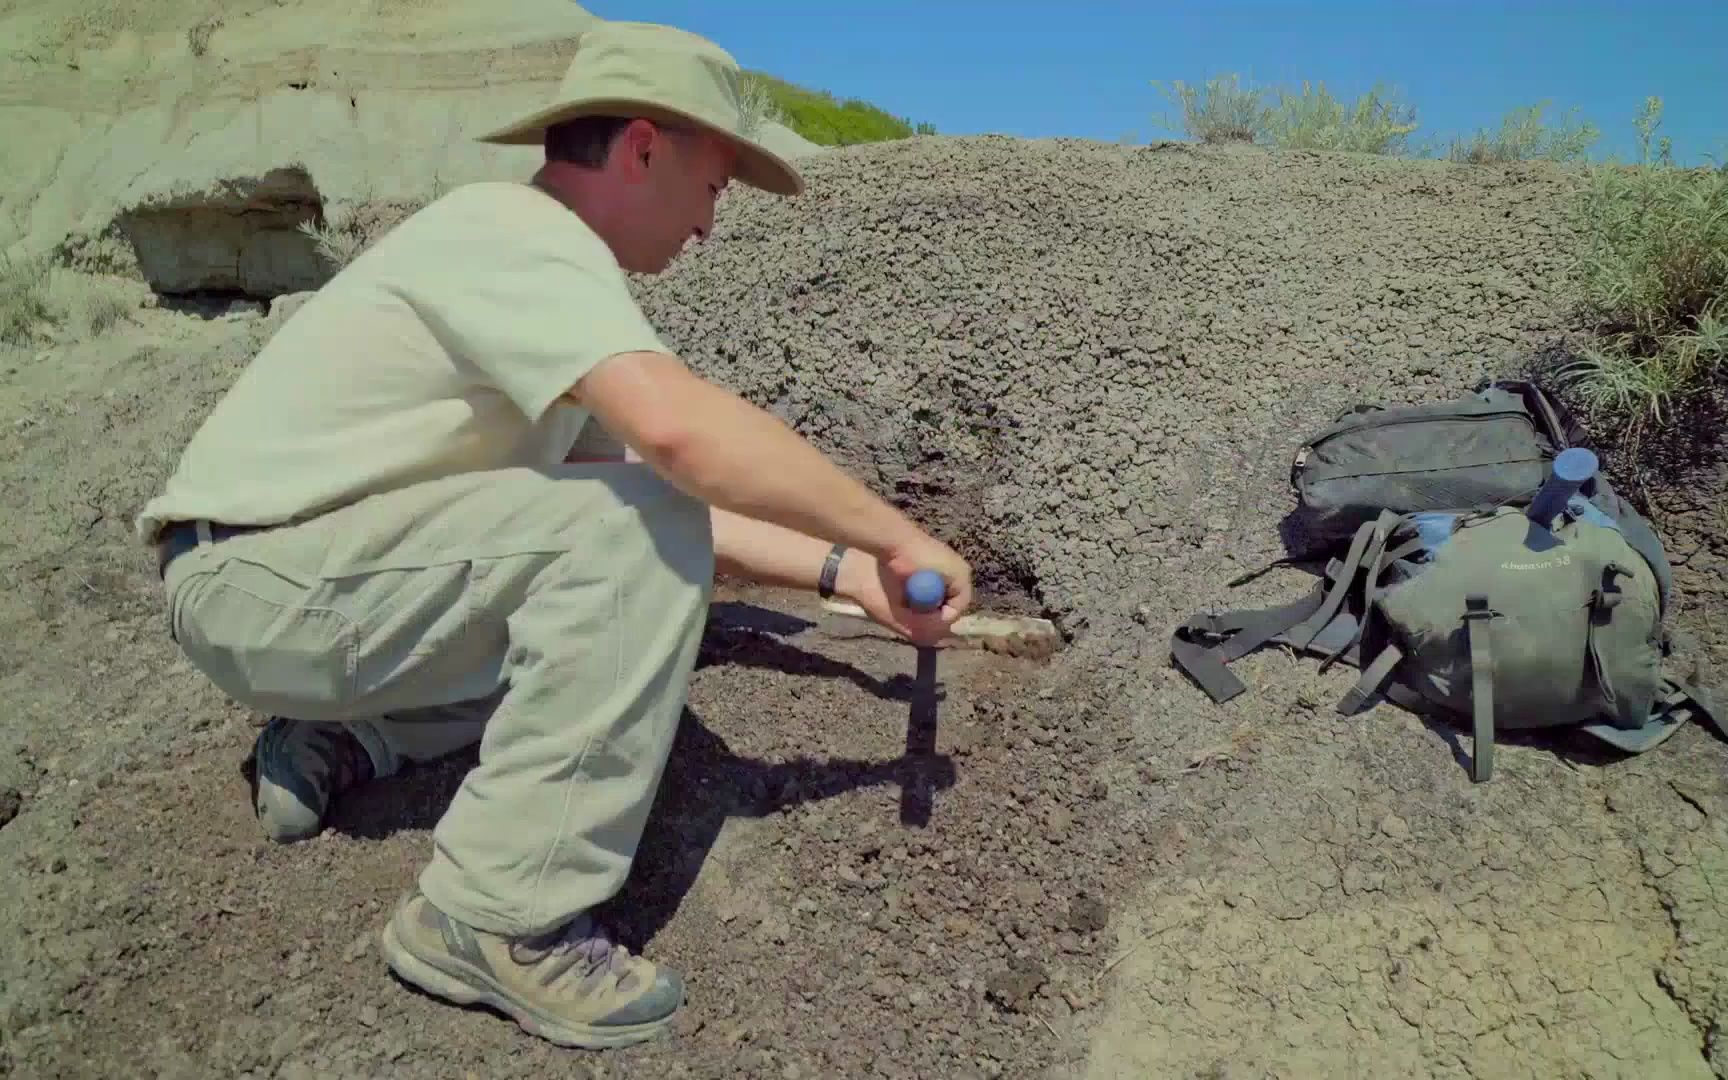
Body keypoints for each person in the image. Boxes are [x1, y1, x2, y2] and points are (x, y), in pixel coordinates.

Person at [133, 20, 973, 1051]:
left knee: (606, 606)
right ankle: (491, 915)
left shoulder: (524, 273)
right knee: (627, 561)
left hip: (292, 586)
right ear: (644, 149)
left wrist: (847, 573)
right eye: (713, 188)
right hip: (262, 580)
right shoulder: (514, 235)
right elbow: (675, 447)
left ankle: (346, 732)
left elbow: (615, 504)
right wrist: (898, 535)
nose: (712, 226)